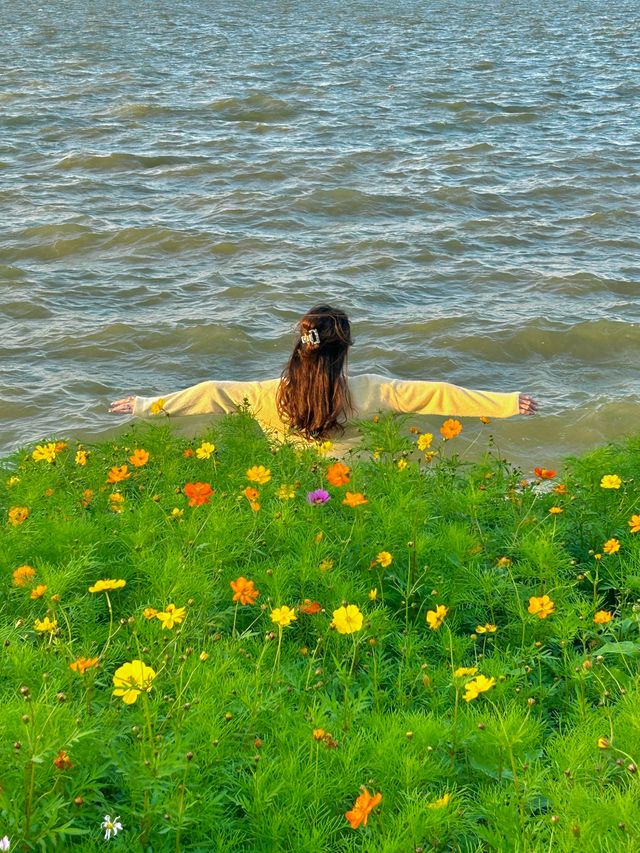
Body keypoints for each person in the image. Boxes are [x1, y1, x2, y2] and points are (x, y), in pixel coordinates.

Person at [109, 304, 537, 452]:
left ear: (301, 347)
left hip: (296, 495)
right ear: (344, 350)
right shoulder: (369, 391)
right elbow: (436, 395)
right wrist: (504, 402)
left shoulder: (270, 396)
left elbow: (212, 393)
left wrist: (146, 405)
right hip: (357, 494)